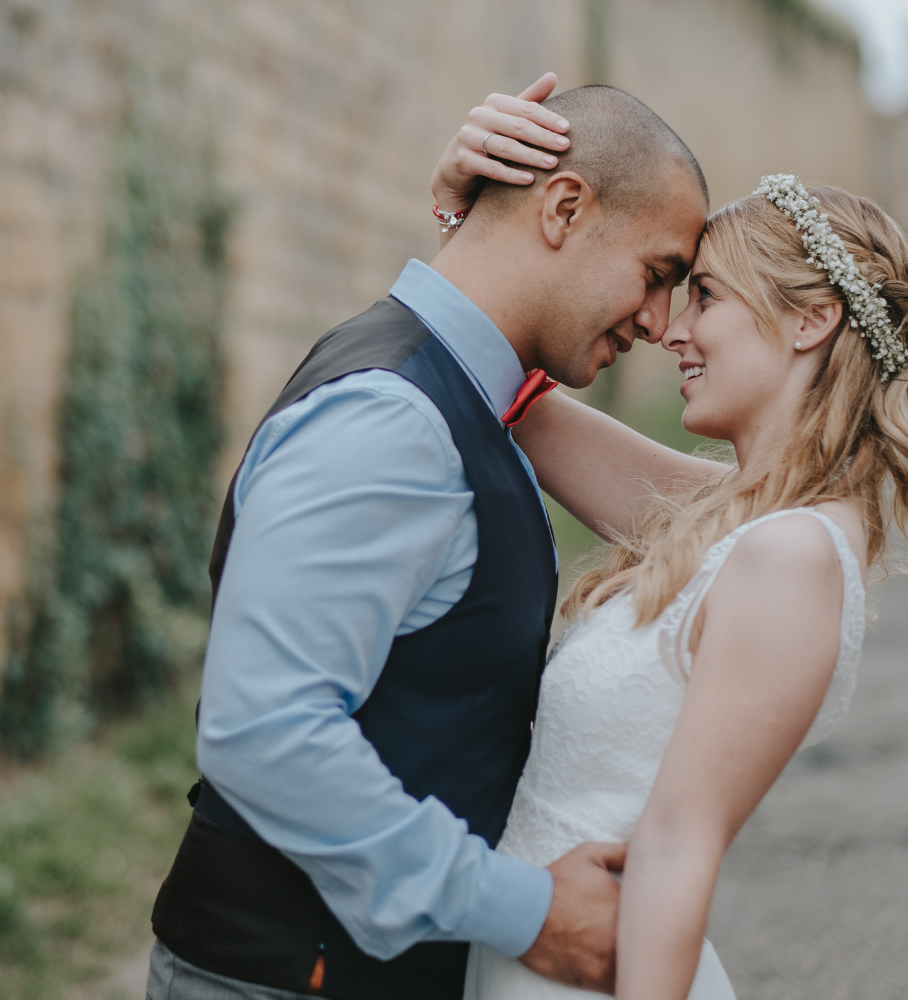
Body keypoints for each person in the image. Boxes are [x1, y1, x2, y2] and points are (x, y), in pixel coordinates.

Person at [148, 76, 710, 999]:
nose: (659, 323)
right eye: (657, 274)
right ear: (565, 206)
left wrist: (465, 224)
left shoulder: (473, 399)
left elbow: (701, 517)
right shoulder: (393, 418)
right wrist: (525, 911)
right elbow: (263, 732)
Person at [432, 91, 908, 998]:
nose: (669, 329)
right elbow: (513, 394)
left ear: (810, 321)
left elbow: (680, 845)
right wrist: (467, 217)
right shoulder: (737, 513)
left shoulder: (790, 556)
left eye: (705, 295)